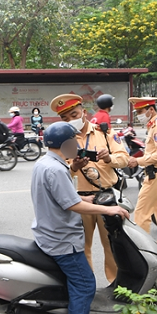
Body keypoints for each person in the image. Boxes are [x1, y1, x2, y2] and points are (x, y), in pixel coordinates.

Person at [31, 121, 129, 314]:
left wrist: (87, 194)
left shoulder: (46, 163)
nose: (78, 145)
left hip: (48, 233)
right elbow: (72, 205)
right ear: (66, 144)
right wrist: (108, 210)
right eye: (74, 142)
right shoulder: (56, 169)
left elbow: (62, 196)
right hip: (62, 240)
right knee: (85, 285)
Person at [50, 93, 130, 285]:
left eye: (74, 114)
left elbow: (125, 159)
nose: (71, 120)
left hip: (106, 198)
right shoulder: (64, 142)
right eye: (64, 118)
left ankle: (115, 284)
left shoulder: (105, 133)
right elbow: (57, 174)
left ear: (84, 112)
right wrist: (74, 168)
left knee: (111, 244)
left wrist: (109, 158)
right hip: (79, 200)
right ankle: (87, 286)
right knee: (81, 246)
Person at [127, 97, 157, 257]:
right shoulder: (156, 125)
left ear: (151, 110)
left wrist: (138, 160)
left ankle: (143, 249)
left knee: (142, 212)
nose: (139, 115)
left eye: (141, 111)